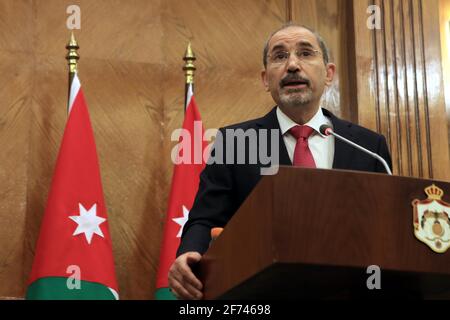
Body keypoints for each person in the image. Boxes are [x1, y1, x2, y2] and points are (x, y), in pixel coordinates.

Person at [168, 24, 392, 300]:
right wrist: (189, 253)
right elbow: (205, 219)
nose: (293, 65)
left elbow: (386, 229)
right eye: (279, 56)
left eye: (306, 53)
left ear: (329, 73)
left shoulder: (369, 147)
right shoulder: (236, 142)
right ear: (265, 79)